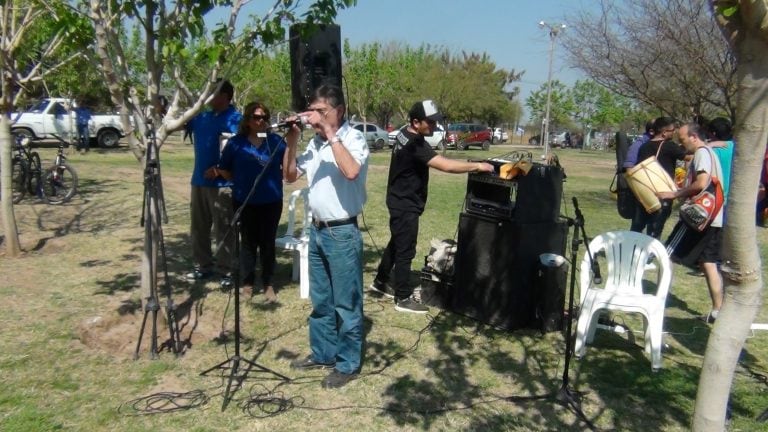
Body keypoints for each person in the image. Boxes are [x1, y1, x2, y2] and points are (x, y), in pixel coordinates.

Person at [370, 100, 494, 314]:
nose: (435, 126)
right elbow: (445, 165)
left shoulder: (404, 133)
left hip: (398, 199)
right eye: (431, 122)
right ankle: (402, 298)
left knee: (397, 242)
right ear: (416, 122)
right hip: (405, 203)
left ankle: (380, 281)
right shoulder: (415, 144)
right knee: (405, 249)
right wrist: (478, 165)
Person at [282, 84, 369, 389]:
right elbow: (290, 175)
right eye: (313, 110)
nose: (315, 117)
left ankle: (347, 364)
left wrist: (331, 135)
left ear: (339, 111)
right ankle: (323, 352)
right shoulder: (315, 145)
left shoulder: (353, 138)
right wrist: (293, 141)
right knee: (321, 300)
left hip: (342, 232)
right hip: (316, 231)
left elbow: (351, 172)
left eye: (322, 111)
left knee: (346, 303)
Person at [215, 102, 284, 303]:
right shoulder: (236, 143)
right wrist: (239, 182)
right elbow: (224, 169)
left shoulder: (276, 142)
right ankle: (247, 283)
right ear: (247, 119)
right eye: (255, 117)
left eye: (263, 117)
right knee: (247, 243)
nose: (260, 121)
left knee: (267, 242)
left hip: (271, 201)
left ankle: (268, 283)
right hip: (244, 201)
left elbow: (288, 166)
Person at [658, 123, 725, 323]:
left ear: (694, 137)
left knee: (667, 254)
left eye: (683, 139)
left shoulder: (702, 153)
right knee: (708, 263)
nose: (681, 144)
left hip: (699, 218)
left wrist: (675, 193)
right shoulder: (711, 153)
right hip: (715, 218)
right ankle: (718, 311)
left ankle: (659, 301)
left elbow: (702, 183)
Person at [185, 80, 242, 287]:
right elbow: (179, 122)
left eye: (214, 93)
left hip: (223, 185)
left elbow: (240, 151)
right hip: (199, 182)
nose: (209, 97)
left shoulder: (236, 119)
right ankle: (203, 266)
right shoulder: (201, 117)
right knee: (199, 227)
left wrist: (220, 169)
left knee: (224, 228)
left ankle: (227, 270)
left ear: (226, 96)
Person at [630, 117, 687, 238]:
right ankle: (649, 254)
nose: (674, 132)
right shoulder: (669, 146)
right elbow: (688, 157)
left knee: (637, 227)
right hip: (663, 192)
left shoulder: (644, 146)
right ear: (664, 132)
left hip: (644, 193)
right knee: (655, 230)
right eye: (672, 130)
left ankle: (632, 250)